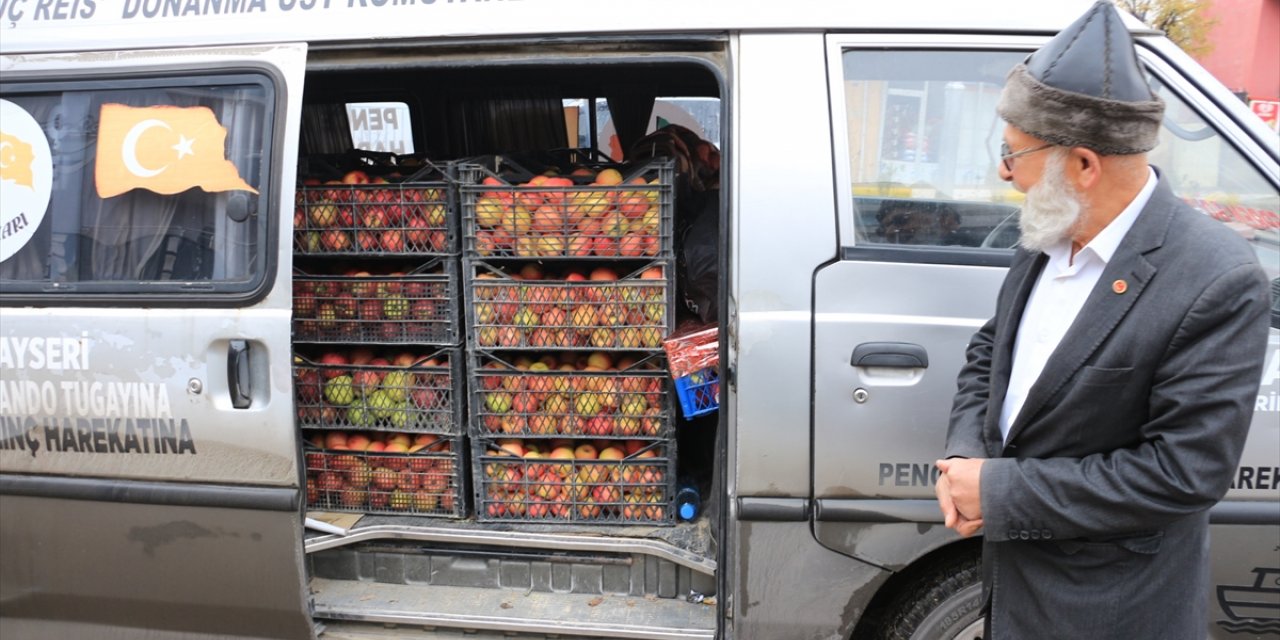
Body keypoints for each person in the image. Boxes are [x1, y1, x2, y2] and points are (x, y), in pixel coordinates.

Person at [933, 2, 1272, 638]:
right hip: (1017, 593)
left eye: (1013, 155)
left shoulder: (1215, 278)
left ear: (1083, 165)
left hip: (1111, 608)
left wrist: (1001, 493)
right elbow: (991, 352)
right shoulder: (1049, 229)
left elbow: (1182, 474)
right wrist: (965, 458)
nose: (1004, 174)